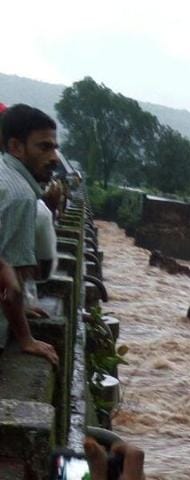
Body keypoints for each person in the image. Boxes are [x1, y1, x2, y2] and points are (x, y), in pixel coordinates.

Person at [0, 104, 59, 365]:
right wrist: (26, 338)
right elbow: (9, 284)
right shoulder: (21, 197)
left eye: (55, 147)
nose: (54, 157)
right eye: (44, 147)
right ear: (16, 147)